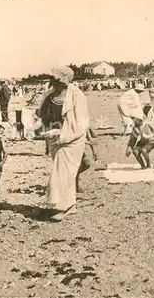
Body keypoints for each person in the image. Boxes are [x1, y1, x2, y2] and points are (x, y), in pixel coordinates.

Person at [43, 66, 89, 222]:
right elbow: (44, 115)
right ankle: (70, 205)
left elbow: (81, 123)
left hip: (72, 139)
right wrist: (48, 132)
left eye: (56, 79)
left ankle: (64, 206)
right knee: (65, 172)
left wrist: (63, 135)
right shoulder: (49, 94)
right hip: (54, 138)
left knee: (62, 173)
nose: (53, 82)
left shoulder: (77, 95)